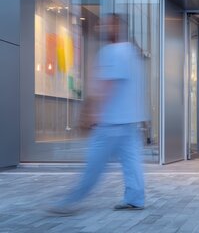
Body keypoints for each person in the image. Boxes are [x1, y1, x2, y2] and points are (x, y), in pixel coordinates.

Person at [48, 13, 147, 216]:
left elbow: (105, 86)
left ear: (116, 27)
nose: (100, 27)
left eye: (105, 24)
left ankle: (69, 202)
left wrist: (90, 115)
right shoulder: (132, 52)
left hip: (111, 122)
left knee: (94, 165)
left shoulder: (111, 51)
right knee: (132, 162)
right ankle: (135, 199)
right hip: (129, 121)